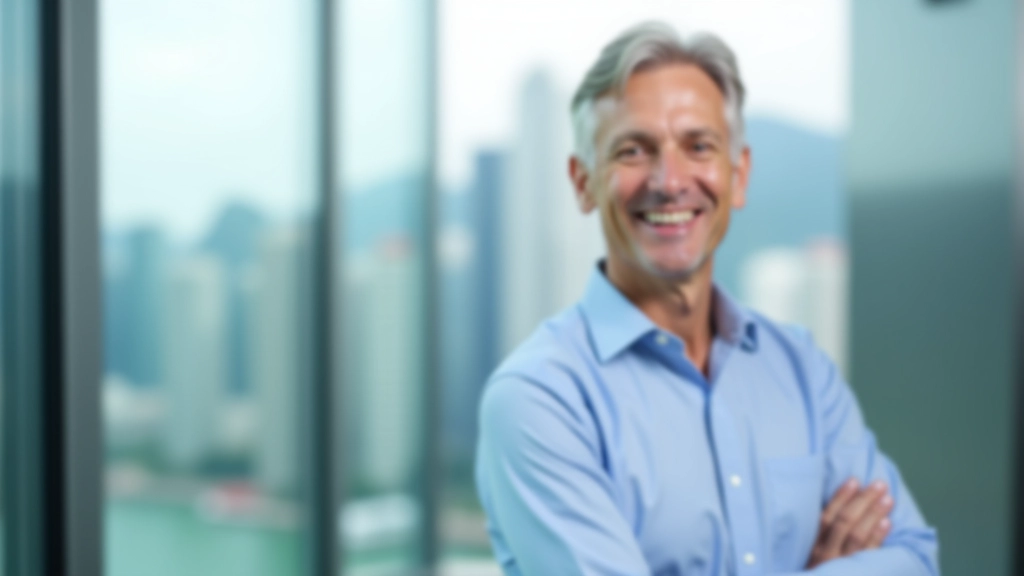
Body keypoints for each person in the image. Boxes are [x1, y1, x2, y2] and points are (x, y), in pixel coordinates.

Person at [474, 21, 938, 576]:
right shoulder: (540, 400)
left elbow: (913, 557)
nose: (670, 181)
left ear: (737, 174)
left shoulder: (802, 371)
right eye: (632, 150)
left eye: (698, 146)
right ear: (583, 184)